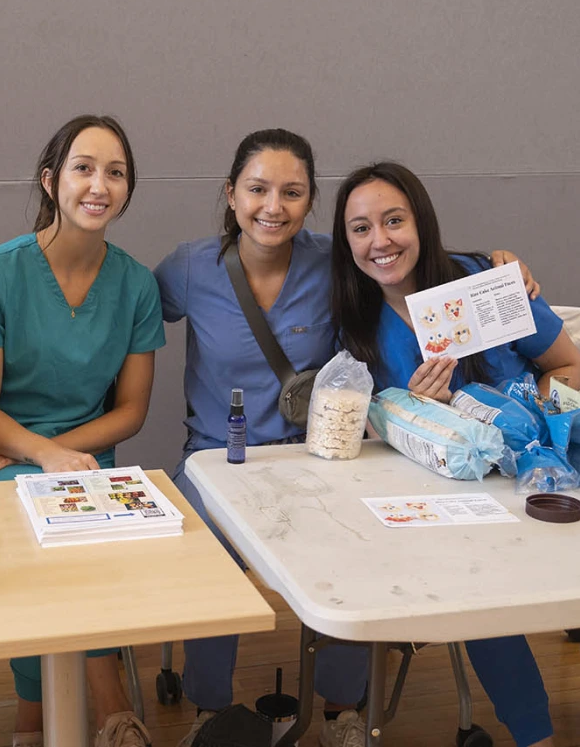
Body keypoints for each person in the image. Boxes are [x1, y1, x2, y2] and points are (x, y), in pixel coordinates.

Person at [153, 130, 538, 747]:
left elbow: (409, 275)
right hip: (215, 459)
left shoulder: (335, 261)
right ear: (230, 195)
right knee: (204, 552)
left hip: (326, 455)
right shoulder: (189, 268)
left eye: (292, 192)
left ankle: (342, 706)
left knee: (353, 546)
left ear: (310, 203)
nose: (272, 206)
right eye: (257, 189)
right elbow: (125, 308)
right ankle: (210, 707)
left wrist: (496, 269)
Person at [330, 160, 580, 747]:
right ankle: (532, 733)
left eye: (394, 220)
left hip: (554, 465)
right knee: (480, 593)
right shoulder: (352, 321)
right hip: (457, 494)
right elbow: (371, 432)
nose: (380, 241)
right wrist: (421, 413)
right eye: (360, 229)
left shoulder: (482, 285)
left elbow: (568, 364)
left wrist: (529, 413)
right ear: (345, 242)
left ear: (422, 222)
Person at [0, 115, 164, 747]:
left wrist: (58, 457)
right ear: (51, 180)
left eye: (115, 173)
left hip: (84, 462)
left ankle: (35, 723)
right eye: (83, 168)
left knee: (76, 532)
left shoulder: (136, 284)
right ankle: (106, 711)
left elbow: (131, 413)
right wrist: (39, 455)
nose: (100, 184)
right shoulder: (0, 270)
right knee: (50, 528)